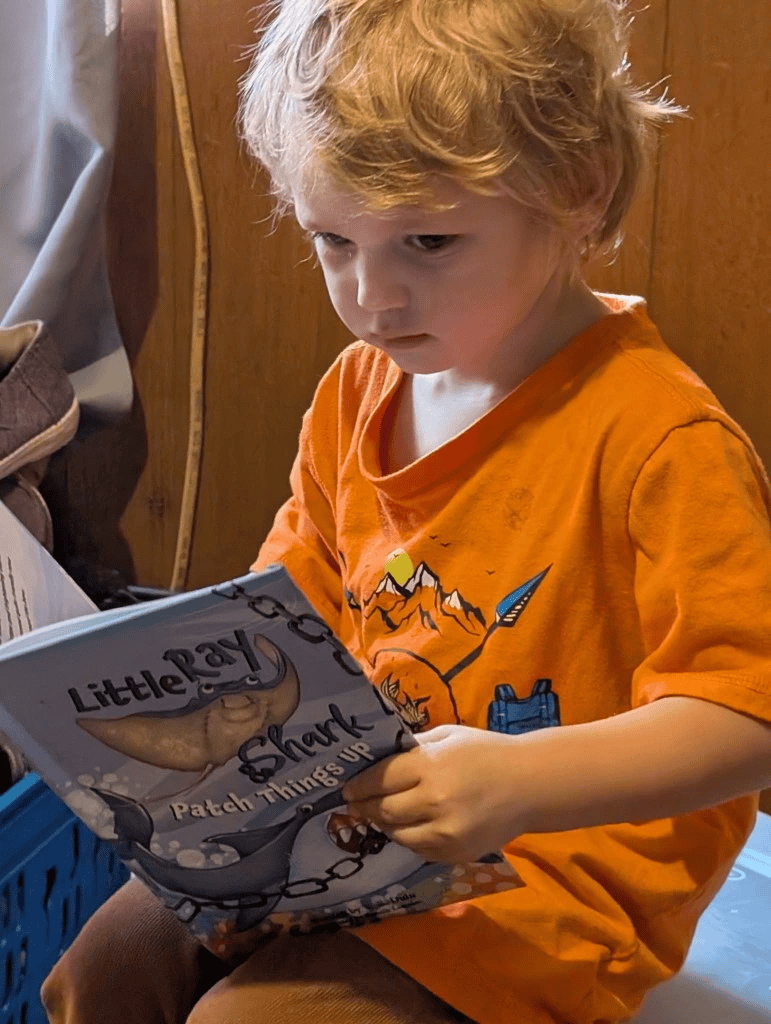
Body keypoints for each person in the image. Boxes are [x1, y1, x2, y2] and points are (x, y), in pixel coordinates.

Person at [41, 1, 771, 1022]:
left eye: (428, 241)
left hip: (550, 875)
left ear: (578, 191)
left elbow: (747, 716)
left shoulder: (660, 440)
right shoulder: (358, 391)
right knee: (106, 967)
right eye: (333, 239)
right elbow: (287, 617)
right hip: (352, 834)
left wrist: (520, 780)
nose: (373, 297)